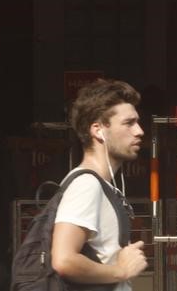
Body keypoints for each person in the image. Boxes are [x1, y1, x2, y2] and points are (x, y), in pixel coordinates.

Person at [51, 78, 148, 290]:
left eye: (137, 122)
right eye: (128, 123)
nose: (139, 131)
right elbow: (64, 260)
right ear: (98, 130)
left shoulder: (100, 185)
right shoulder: (86, 185)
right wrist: (121, 271)